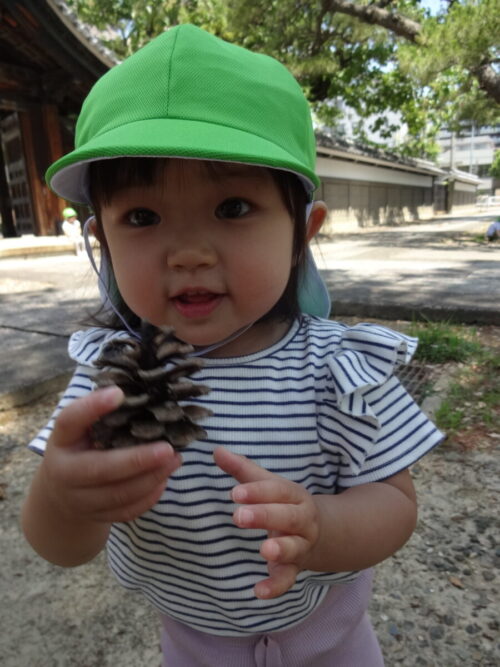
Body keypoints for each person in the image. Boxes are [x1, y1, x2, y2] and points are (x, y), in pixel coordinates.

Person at [22, 25, 443, 666]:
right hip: (192, 647)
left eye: (233, 208)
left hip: (331, 641)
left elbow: (395, 504)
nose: (189, 253)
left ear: (303, 234)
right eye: (142, 217)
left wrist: (323, 528)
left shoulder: (339, 369)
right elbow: (61, 546)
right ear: (100, 239)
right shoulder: (112, 378)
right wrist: (62, 497)